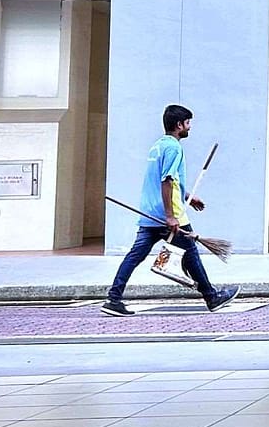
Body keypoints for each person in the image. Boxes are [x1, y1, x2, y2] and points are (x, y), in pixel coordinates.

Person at [101, 104, 239, 317]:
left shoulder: (157, 146)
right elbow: (166, 180)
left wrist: (188, 197)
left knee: (135, 255)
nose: (189, 127)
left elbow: (169, 180)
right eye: (188, 123)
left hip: (150, 212)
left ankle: (113, 298)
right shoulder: (174, 147)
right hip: (169, 214)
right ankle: (212, 297)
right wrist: (170, 215)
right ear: (179, 125)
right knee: (191, 253)